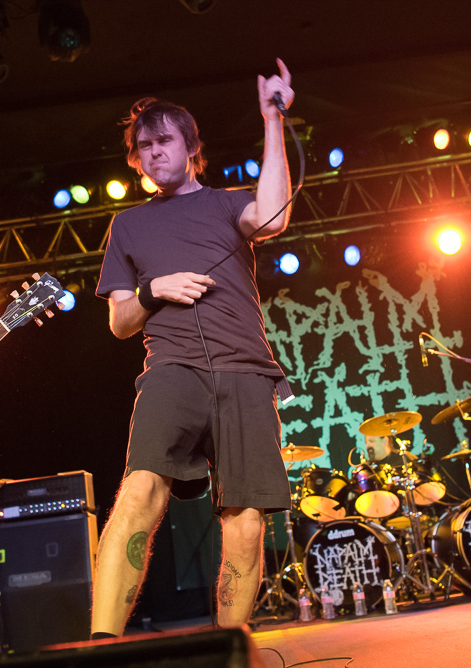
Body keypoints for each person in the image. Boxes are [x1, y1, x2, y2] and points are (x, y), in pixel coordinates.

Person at [90, 59, 295, 636]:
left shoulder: (228, 203)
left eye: (164, 141)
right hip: (171, 367)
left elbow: (274, 216)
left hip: (244, 370)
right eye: (143, 147)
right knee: (139, 491)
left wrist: (272, 118)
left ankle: (231, 646)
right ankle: (103, 642)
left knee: (245, 520)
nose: (153, 152)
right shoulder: (127, 225)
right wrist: (154, 290)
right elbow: (120, 323)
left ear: (189, 146)